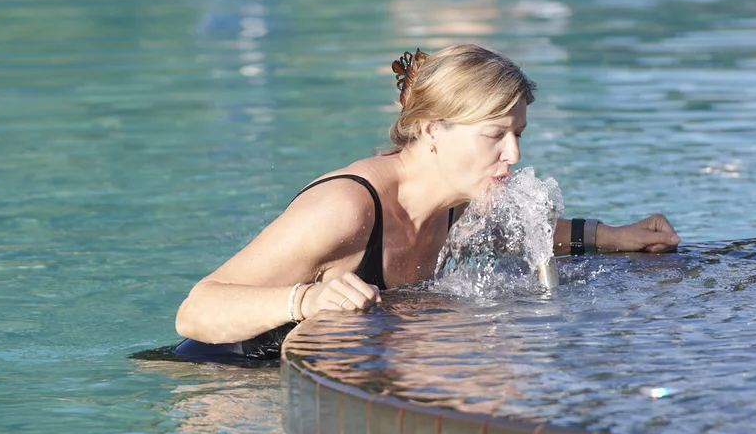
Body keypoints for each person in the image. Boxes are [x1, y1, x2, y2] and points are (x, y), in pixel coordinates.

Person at [172, 44, 678, 363]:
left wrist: (613, 236)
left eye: (519, 134)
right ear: (435, 131)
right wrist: (303, 301)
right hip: (223, 386)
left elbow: (522, 231)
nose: (515, 154)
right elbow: (196, 310)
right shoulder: (348, 207)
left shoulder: (456, 199)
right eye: (495, 136)